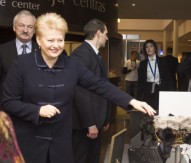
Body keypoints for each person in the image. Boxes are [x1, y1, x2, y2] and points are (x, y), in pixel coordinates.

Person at [2, 13, 156, 163]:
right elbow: (7, 101)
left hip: (61, 143)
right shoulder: (21, 64)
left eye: (60, 40)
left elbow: (99, 85)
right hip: (29, 142)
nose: (56, 45)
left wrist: (131, 101)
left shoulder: (72, 65)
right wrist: (37, 111)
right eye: (50, 40)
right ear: (39, 40)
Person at [71, 19, 111, 163]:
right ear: (98, 33)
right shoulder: (81, 54)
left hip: (96, 121)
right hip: (86, 125)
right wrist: (90, 123)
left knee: (93, 158)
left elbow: (102, 87)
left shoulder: (95, 54)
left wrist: (105, 117)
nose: (107, 37)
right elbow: (80, 91)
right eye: (105, 34)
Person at [0, 10, 38, 103]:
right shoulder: (1, 50)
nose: (25, 30)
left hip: (36, 109)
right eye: (21, 25)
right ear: (14, 27)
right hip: (7, 108)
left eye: (30, 27)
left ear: (34, 30)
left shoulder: (43, 51)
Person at [137, 39, 172, 110]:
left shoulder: (163, 61)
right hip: (148, 89)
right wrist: (138, 97)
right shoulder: (143, 63)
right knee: (149, 111)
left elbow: (168, 78)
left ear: (155, 48)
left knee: (161, 109)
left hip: (160, 88)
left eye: (151, 46)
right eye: (146, 47)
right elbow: (140, 81)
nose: (148, 48)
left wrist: (170, 92)